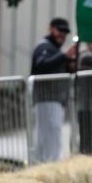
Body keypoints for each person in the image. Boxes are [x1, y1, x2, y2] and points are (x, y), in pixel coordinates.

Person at [30, 18, 76, 162]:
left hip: (54, 100)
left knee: (49, 135)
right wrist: (64, 56)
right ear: (50, 28)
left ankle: (44, 164)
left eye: (65, 32)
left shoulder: (54, 49)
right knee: (49, 135)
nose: (62, 34)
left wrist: (69, 63)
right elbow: (41, 65)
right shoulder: (44, 47)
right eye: (59, 30)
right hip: (46, 99)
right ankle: (48, 163)